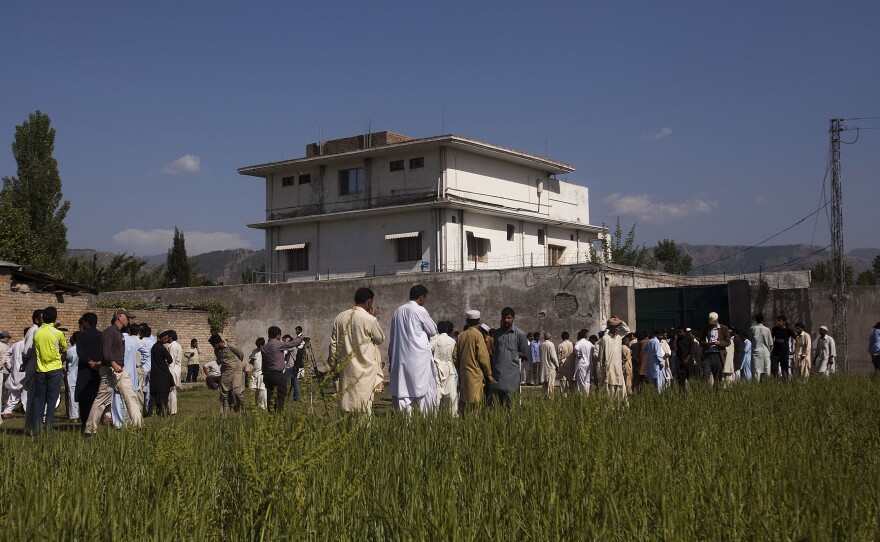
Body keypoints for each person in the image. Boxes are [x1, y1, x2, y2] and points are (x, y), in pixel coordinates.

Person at [84, 309, 143, 435]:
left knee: (130, 396)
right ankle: (89, 430)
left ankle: (138, 426)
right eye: (127, 317)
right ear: (119, 317)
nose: (128, 320)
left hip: (120, 370)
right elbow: (106, 352)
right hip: (110, 370)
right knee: (101, 401)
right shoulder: (109, 332)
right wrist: (114, 364)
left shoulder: (120, 332)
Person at [331, 288, 385, 414]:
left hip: (346, 370)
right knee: (363, 407)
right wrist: (373, 317)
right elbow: (379, 339)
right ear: (369, 302)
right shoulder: (369, 319)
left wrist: (334, 367)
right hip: (365, 371)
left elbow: (333, 346)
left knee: (346, 405)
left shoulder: (340, 317)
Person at [387, 285, 438, 415]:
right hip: (418, 359)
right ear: (421, 297)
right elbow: (433, 331)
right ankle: (427, 425)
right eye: (425, 298)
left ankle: (406, 428)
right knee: (424, 393)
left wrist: (391, 359)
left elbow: (392, 337)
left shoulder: (397, 311)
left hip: (401, 358)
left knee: (403, 393)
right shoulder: (419, 310)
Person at [26, 307, 66, 435]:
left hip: (40, 369)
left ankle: (36, 428)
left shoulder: (37, 333)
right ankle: (49, 427)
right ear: (55, 318)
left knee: (39, 400)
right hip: (54, 369)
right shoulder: (58, 333)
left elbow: (34, 349)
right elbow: (64, 348)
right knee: (52, 399)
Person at [453, 310, 493, 410]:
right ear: (478, 321)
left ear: (466, 320)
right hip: (475, 375)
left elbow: (454, 356)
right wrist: (489, 374)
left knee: (465, 405)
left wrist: (460, 368)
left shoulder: (461, 336)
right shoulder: (478, 335)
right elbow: (483, 357)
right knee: (476, 407)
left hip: (464, 375)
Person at [490, 307, 529, 406]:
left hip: (512, 377)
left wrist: (514, 355)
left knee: (511, 405)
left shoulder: (520, 334)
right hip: (497, 375)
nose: (506, 320)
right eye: (504, 318)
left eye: (508, 318)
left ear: (513, 318)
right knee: (496, 406)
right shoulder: (497, 333)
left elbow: (526, 354)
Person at [111, 323, 148, 428]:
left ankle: (119, 423)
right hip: (132, 373)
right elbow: (146, 353)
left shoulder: (117, 341)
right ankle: (132, 421)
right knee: (131, 398)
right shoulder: (134, 342)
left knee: (118, 398)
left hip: (120, 372)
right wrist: (139, 364)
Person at [261, 326, 304, 413]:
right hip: (277, 373)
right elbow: (291, 344)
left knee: (270, 395)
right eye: (280, 335)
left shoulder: (265, 346)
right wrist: (301, 337)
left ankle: (271, 413)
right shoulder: (277, 344)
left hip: (267, 374)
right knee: (281, 393)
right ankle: (279, 413)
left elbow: (264, 363)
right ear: (277, 335)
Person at [74, 312, 102, 432]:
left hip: (85, 369)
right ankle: (94, 424)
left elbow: (80, 353)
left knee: (85, 399)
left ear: (86, 322)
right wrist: (97, 363)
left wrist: (89, 361)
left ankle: (85, 423)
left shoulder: (81, 336)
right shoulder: (102, 335)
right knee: (96, 398)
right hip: (98, 369)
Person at [209, 333, 246, 416]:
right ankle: (224, 416)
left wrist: (236, 365)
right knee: (224, 395)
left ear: (219, 342)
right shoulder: (216, 351)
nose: (213, 347)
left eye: (214, 345)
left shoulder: (231, 346)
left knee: (237, 392)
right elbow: (220, 361)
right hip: (226, 373)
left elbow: (241, 355)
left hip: (236, 372)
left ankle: (243, 410)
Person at [431, 320, 459, 415]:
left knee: (436, 393)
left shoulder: (435, 339)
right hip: (450, 368)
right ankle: (452, 415)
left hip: (436, 368)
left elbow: (428, 351)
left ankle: (434, 415)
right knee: (451, 393)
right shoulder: (452, 341)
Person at [700, 312, 731, 387]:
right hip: (707, 354)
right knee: (705, 375)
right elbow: (701, 341)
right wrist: (708, 344)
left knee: (717, 376)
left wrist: (720, 343)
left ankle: (717, 392)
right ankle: (705, 392)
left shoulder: (724, 328)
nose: (712, 324)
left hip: (718, 354)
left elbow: (728, 342)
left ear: (717, 320)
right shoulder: (706, 328)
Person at [149, 331, 175, 416]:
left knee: (155, 398)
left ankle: (155, 413)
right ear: (159, 338)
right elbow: (170, 359)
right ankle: (162, 414)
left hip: (155, 376)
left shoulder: (154, 347)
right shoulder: (161, 348)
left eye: (166, 338)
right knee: (163, 398)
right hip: (163, 376)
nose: (166, 340)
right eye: (164, 338)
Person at [599, 318, 626, 400]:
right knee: (608, 388)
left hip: (618, 367)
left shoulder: (619, 338)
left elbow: (627, 330)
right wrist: (602, 368)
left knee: (619, 387)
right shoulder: (605, 338)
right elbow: (601, 357)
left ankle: (619, 408)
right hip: (609, 367)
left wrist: (620, 320)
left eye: (618, 326)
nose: (618, 328)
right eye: (615, 326)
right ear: (610, 327)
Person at [138, 325, 156, 415]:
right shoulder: (154, 342)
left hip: (143, 367)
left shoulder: (141, 342)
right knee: (148, 390)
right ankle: (148, 409)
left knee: (140, 389)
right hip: (151, 368)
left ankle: (142, 409)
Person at [749, 314, 773, 381]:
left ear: (755, 320)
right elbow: (771, 343)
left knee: (756, 370)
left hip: (756, 351)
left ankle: (756, 385)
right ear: (763, 320)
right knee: (767, 369)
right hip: (766, 352)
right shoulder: (767, 329)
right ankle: (767, 384)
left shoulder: (752, 329)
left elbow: (750, 339)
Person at [166, 330, 183, 414]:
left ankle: (172, 410)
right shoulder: (178, 345)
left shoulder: (172, 347)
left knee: (171, 391)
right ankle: (173, 409)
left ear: (170, 337)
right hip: (177, 369)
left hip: (173, 370)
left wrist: (169, 373)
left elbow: (171, 361)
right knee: (173, 391)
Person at [65, 331, 80, 422]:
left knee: (72, 396)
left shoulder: (69, 351)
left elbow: (67, 364)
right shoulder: (84, 349)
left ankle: (74, 416)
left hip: (72, 374)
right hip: (81, 374)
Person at [249, 338, 267, 411]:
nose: (259, 347)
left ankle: (262, 406)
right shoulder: (255, 351)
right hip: (254, 373)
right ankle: (254, 404)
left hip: (262, 373)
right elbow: (251, 360)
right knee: (252, 389)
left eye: (260, 346)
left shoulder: (266, 351)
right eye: (258, 346)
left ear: (263, 345)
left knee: (262, 390)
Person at [573, 329, 593, 395]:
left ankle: (582, 396)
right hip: (588, 364)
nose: (587, 335)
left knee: (581, 381)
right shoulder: (589, 343)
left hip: (582, 364)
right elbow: (594, 348)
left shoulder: (580, 342)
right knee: (587, 380)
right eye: (587, 333)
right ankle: (586, 395)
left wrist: (578, 354)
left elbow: (576, 347)